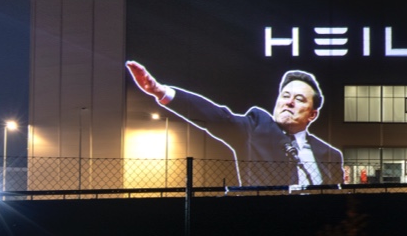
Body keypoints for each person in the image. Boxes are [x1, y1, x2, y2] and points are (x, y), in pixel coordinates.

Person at [126, 61, 344, 189]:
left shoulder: (330, 155)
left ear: (312, 114)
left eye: (299, 99)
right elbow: (216, 117)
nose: (289, 101)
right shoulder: (256, 126)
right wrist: (161, 92)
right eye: (285, 95)